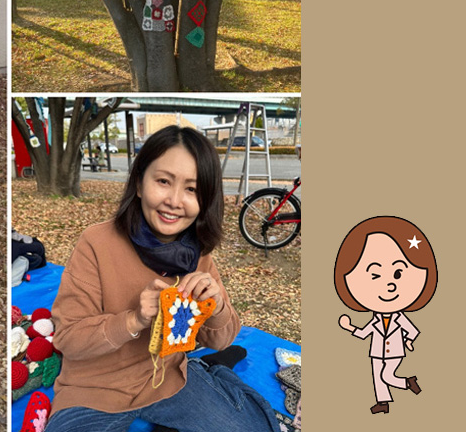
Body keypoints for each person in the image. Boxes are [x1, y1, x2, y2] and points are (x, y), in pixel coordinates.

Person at [45, 126, 280, 432]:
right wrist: (134, 320)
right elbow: (68, 339)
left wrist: (218, 307)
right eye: (163, 181)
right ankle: (209, 373)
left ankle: (209, 372)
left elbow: (221, 339)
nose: (174, 200)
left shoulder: (197, 252)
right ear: (140, 183)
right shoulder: (97, 243)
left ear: (205, 199)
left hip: (169, 378)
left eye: (192, 189)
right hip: (94, 391)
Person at [334, 216, 437, 414]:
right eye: (374, 276)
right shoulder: (374, 320)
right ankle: (383, 402)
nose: (388, 285)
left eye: (398, 274)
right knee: (377, 376)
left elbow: (412, 331)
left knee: (387, 375)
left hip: (395, 350)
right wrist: (349, 327)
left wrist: (408, 341)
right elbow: (364, 333)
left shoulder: (400, 317)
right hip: (376, 350)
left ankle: (407, 383)